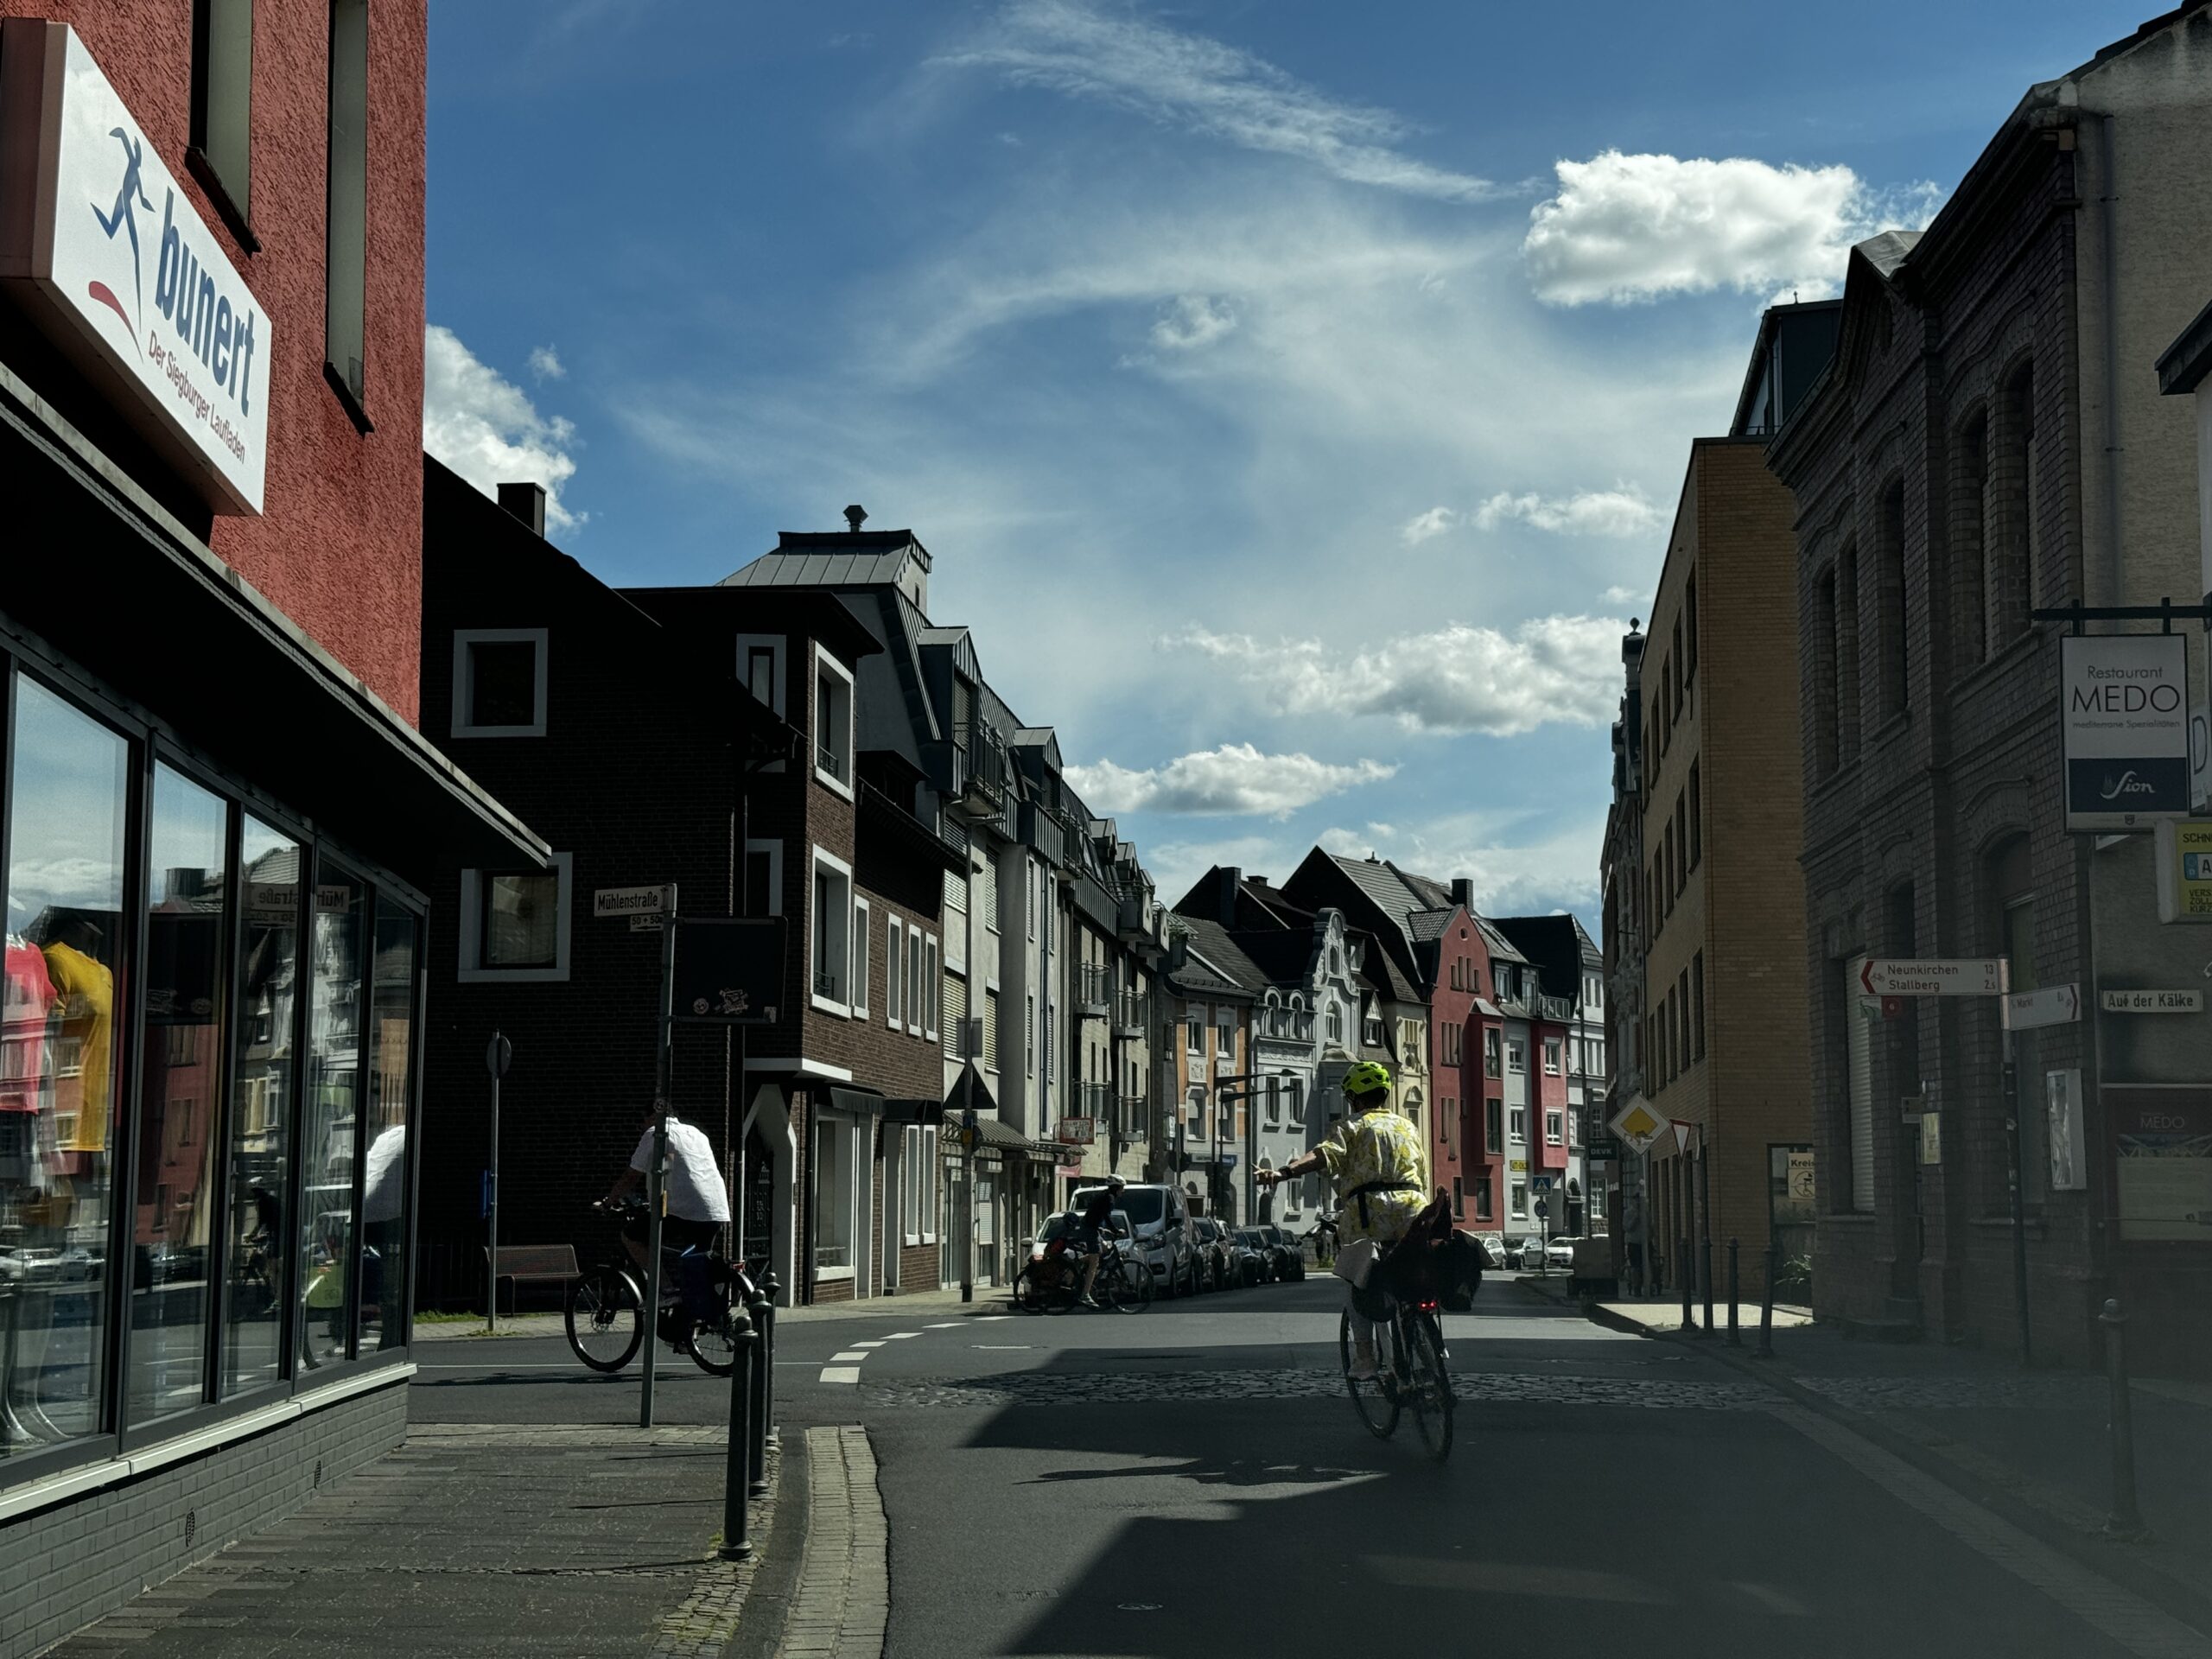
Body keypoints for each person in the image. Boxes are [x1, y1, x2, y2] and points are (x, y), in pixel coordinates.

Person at [1258, 1061, 1426, 1379]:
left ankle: (1365, 1357)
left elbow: (1325, 1154)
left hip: (1368, 1213)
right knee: (1412, 1276)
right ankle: (1432, 1343)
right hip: (1413, 1209)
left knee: (1358, 1280)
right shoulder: (1409, 1126)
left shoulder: (1351, 1126)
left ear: (1354, 1099)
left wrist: (1285, 1172)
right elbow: (1423, 1173)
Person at [603, 1107, 731, 1268]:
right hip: (716, 1209)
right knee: (697, 1264)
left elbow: (631, 1176)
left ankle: (665, 1288)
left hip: (685, 1210)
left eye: (643, 1121)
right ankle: (697, 1292)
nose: (642, 1127)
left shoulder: (656, 1133)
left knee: (631, 1236)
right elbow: (669, 1172)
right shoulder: (695, 1133)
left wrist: (609, 1202)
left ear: (654, 1116)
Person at [1076, 1174, 1127, 1306]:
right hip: (1090, 1229)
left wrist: (1101, 1229)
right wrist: (1116, 1231)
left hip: (1091, 1227)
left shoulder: (1104, 1195)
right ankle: (1085, 1294)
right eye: (1122, 1188)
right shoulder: (1109, 1198)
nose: (1123, 1191)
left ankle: (1076, 1263)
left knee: (1104, 1249)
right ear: (1116, 1188)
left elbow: (1096, 1214)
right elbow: (1106, 1216)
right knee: (1095, 1261)